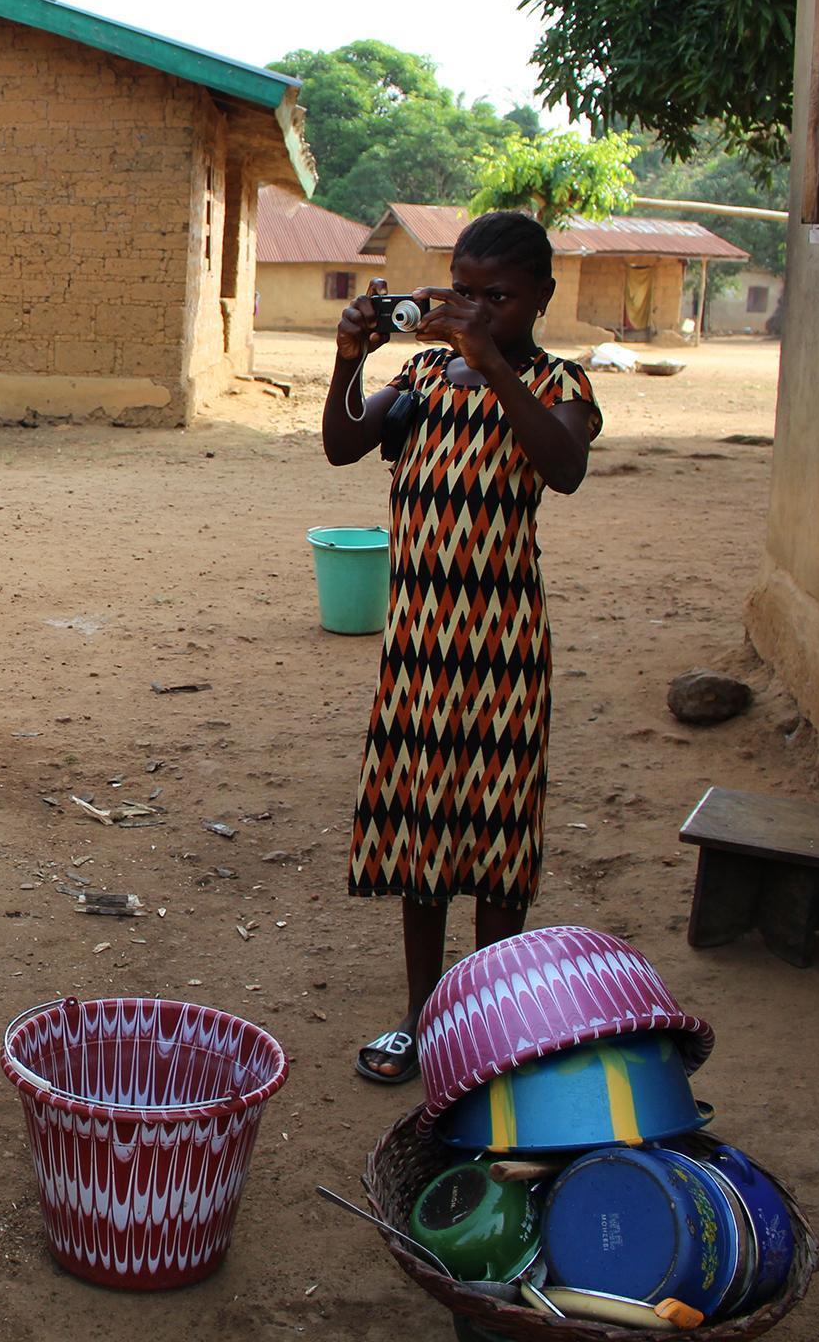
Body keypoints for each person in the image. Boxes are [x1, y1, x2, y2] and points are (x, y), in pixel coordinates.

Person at [319, 211, 601, 1085]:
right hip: (420, 646)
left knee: (498, 837)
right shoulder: (426, 374)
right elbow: (342, 445)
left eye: (501, 298)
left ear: (543, 298)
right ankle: (422, 1014)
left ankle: (494, 1020)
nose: (479, 311)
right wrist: (346, 361)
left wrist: (491, 363)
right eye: (465, 293)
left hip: (507, 647)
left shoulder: (561, 385)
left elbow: (562, 465)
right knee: (421, 835)